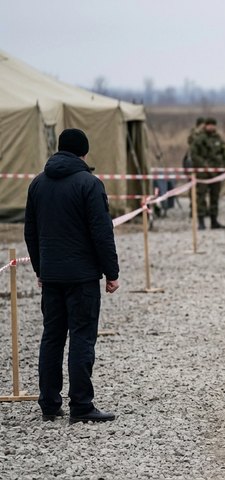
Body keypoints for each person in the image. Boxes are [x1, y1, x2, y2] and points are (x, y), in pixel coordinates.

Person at [24, 128, 119, 424]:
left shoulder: (37, 184)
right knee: (81, 337)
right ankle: (81, 405)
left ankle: (49, 405)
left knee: (51, 338)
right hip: (82, 277)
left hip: (51, 276)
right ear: (84, 153)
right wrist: (111, 272)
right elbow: (101, 232)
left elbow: (30, 232)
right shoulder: (89, 184)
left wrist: (40, 269)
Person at [190, 118, 225, 229]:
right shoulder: (199, 139)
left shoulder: (218, 139)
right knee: (201, 196)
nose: (211, 127)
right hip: (203, 174)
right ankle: (201, 221)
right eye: (209, 125)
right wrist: (204, 165)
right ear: (205, 126)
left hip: (216, 173)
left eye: (213, 125)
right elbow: (194, 154)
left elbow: (224, 153)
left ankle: (214, 220)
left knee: (215, 196)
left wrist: (224, 167)